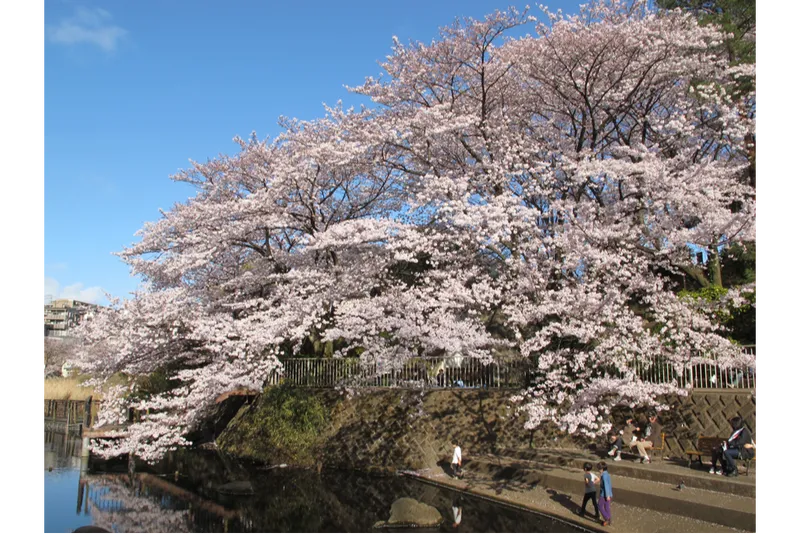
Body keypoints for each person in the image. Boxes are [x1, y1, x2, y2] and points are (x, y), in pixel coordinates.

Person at [597, 461, 613, 527]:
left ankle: (607, 518)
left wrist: (607, 495)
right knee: (607, 507)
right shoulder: (607, 474)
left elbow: (606, 486)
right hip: (609, 494)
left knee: (599, 506)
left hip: (604, 494)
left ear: (601, 469)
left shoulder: (604, 476)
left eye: (599, 469)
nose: (598, 471)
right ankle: (609, 518)